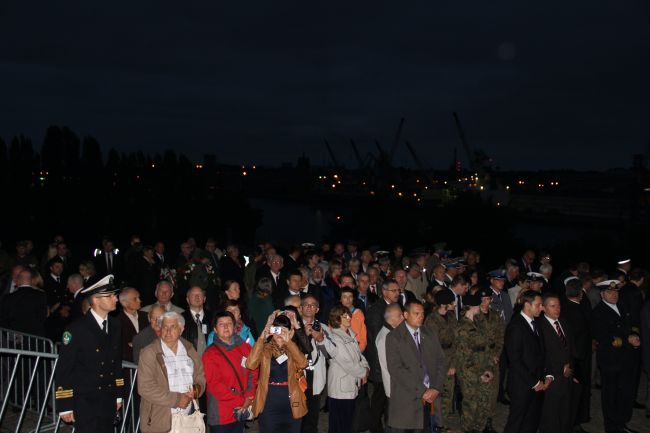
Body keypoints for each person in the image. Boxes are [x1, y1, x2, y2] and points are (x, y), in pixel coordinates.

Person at [54, 275, 126, 433]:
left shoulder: (115, 325)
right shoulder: (76, 329)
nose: (116, 299)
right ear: (96, 300)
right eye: (111, 295)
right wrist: (65, 405)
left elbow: (116, 364)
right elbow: (64, 369)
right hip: (86, 400)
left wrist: (118, 394)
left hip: (108, 398)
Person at [138, 311, 205, 433]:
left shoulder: (190, 349)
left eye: (172, 327)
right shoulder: (149, 352)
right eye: (164, 327)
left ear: (181, 329)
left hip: (188, 418)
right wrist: (177, 400)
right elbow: (145, 387)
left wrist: (197, 389)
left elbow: (200, 376)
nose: (168, 331)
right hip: (160, 419)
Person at [386, 300, 446, 433]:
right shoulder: (394, 337)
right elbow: (396, 370)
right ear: (406, 315)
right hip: (407, 400)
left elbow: (441, 361)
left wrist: (436, 387)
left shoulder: (429, 333)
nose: (421, 317)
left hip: (430, 399)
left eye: (422, 313)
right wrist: (422, 390)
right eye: (416, 313)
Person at [246, 311, 308, 433]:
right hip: (269, 404)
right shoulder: (265, 348)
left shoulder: (293, 348)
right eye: (277, 329)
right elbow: (250, 364)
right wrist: (263, 336)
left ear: (290, 332)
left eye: (284, 330)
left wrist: (289, 342)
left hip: (291, 403)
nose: (280, 333)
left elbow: (303, 363)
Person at [592, 280, 641, 433]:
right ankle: (612, 428)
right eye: (610, 292)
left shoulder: (622, 306)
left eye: (616, 292)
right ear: (602, 294)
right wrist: (628, 340)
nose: (614, 295)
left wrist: (635, 335)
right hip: (611, 362)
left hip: (626, 359)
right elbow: (607, 338)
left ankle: (621, 424)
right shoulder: (598, 312)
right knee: (611, 396)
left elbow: (633, 324)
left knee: (624, 394)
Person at [503, 290, 553, 433]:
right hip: (522, 385)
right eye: (538, 305)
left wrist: (548, 374)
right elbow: (515, 360)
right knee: (516, 422)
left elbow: (543, 352)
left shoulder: (536, 323)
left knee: (532, 422)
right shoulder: (515, 326)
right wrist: (534, 382)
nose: (542, 308)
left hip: (538, 383)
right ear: (527, 305)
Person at [203, 311, 257, 433]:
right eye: (221, 324)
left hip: (241, 409)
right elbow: (214, 385)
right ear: (215, 330)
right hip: (221, 412)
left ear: (234, 326)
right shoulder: (210, 354)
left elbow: (253, 371)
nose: (226, 327)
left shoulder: (244, 347)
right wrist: (242, 401)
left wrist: (249, 394)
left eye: (229, 323)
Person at [455, 293, 496, 433]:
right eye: (478, 304)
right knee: (470, 406)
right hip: (470, 374)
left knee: (483, 404)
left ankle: (479, 429)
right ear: (470, 306)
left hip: (483, 369)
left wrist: (488, 368)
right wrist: (479, 374)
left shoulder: (478, 322)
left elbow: (487, 346)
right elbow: (463, 357)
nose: (481, 306)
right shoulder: (462, 327)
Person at [326, 304, 370, 433]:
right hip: (340, 389)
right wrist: (363, 372)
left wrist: (366, 367)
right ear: (337, 319)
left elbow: (359, 355)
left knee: (348, 423)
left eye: (348, 314)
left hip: (350, 386)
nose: (349, 317)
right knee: (339, 425)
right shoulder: (335, 337)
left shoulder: (350, 334)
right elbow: (347, 363)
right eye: (344, 316)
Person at [366, 280, 401, 433]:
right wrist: (379, 367)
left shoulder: (390, 307)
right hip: (380, 362)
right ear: (385, 292)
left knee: (383, 398)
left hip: (387, 360)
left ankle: (384, 424)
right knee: (380, 397)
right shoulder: (377, 310)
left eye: (398, 290)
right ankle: (375, 426)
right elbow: (376, 340)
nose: (397, 293)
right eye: (394, 290)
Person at [537, 293, 575, 433]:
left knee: (565, 412)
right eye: (553, 306)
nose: (557, 309)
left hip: (567, 375)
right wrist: (560, 368)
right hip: (551, 376)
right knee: (550, 414)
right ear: (544, 308)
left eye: (558, 305)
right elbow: (542, 354)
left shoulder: (564, 322)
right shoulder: (540, 326)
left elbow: (570, 348)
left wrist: (571, 366)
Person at [560, 278, 592, 432]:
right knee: (576, 393)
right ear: (580, 294)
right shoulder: (578, 310)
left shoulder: (563, 309)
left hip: (572, 357)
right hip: (578, 359)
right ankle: (574, 423)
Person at [424, 289, 457, 431]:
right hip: (438, 362)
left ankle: (443, 422)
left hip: (451, 358)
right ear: (444, 304)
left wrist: (453, 363)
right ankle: (438, 425)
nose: (455, 304)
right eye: (452, 302)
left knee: (448, 394)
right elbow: (433, 346)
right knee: (438, 394)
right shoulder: (431, 320)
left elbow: (456, 340)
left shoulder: (451, 316)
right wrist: (445, 365)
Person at [300, 294, 332, 433]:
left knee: (312, 415)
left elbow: (329, 355)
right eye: (306, 304)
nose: (309, 306)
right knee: (297, 414)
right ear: (300, 308)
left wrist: (320, 340)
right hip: (299, 375)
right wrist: (303, 336)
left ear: (317, 309)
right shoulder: (293, 327)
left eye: (312, 305)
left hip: (316, 375)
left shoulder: (323, 327)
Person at [475, 287, 504, 433]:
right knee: (481, 390)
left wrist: (497, 353)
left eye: (488, 299)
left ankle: (489, 422)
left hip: (493, 358)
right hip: (479, 358)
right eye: (483, 299)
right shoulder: (473, 315)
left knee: (493, 391)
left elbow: (500, 337)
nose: (486, 301)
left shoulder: (495, 315)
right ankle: (478, 422)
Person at [0, 267, 48, 337]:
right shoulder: (40, 295)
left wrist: (12, 336)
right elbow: (42, 317)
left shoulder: (7, 298)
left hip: (15, 339)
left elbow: (3, 320)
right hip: (35, 338)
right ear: (31, 280)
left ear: (18, 281)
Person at [375, 303, 404, 398]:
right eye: (399, 315)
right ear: (391, 319)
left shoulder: (395, 331)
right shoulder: (385, 337)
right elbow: (387, 365)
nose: (403, 317)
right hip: (395, 386)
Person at [117, 287, 148, 362]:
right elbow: (121, 348)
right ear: (124, 303)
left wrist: (135, 345)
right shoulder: (117, 321)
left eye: (139, 297)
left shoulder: (146, 316)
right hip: (129, 366)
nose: (139, 301)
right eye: (135, 299)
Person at [181, 286, 213, 356]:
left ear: (204, 299)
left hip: (210, 361)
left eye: (200, 294)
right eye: (193, 295)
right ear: (187, 299)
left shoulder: (213, 318)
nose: (197, 297)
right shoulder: (180, 319)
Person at [340, 287, 367, 352]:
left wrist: (360, 350)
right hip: (341, 352)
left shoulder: (358, 313)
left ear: (353, 298)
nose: (348, 299)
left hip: (357, 350)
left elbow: (363, 335)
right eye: (345, 297)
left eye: (350, 296)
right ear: (340, 299)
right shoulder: (336, 314)